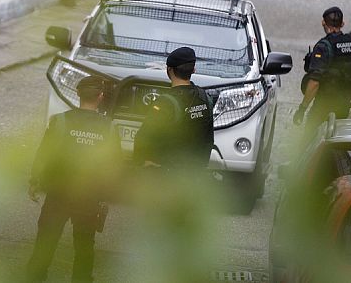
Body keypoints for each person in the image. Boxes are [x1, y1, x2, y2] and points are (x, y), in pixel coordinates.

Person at [26, 76, 121, 283]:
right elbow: (113, 167)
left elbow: (44, 154)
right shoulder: (109, 128)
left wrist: (34, 181)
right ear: (101, 96)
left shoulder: (60, 121)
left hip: (58, 194)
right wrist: (106, 195)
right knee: (85, 245)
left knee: (46, 241)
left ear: (78, 95)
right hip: (89, 198)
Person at [133, 47, 214, 170]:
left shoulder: (164, 103)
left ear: (169, 70)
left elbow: (144, 137)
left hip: (166, 174)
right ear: (193, 70)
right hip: (194, 174)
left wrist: (142, 164)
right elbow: (208, 139)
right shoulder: (205, 97)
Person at [293, 7, 351, 134]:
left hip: (322, 106)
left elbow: (314, 82)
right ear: (342, 24)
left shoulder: (323, 47)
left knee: (308, 142)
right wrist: (345, 100)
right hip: (342, 107)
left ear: (323, 23)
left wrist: (302, 109)